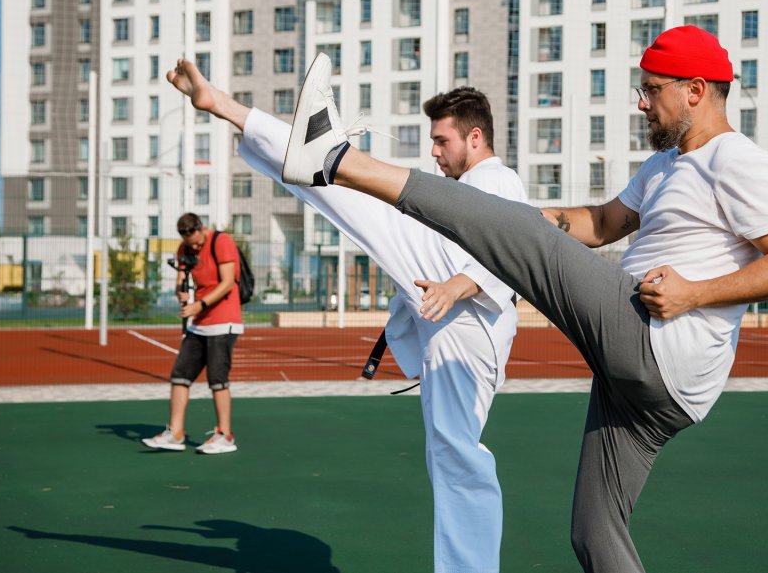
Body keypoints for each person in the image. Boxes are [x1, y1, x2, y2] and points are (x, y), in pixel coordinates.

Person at [278, 27, 768, 572]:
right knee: (593, 533)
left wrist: (692, 294)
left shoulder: (738, 160)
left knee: (518, 236)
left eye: (652, 90)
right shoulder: (663, 167)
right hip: (654, 392)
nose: (642, 102)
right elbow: (602, 223)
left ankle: (335, 159)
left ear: (695, 90)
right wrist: (506, 219)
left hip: (656, 336)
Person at [166, 55, 527, 573]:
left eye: (442, 141)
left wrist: (459, 284)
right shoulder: (462, 188)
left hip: (467, 324)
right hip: (448, 321)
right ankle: (237, 111)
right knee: (346, 189)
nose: (434, 150)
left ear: (475, 138)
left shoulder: (498, 181)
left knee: (456, 458)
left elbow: (512, 253)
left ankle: (309, 141)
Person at [142, 213, 243, 455]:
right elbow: (181, 279)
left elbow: (228, 282)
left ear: (201, 228)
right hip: (198, 323)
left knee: (217, 378)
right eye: (190, 244)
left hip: (223, 321)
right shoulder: (184, 248)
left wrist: (200, 304)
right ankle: (175, 433)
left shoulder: (222, 241)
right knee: (180, 374)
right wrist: (182, 294)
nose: (195, 247)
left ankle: (224, 435)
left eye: (197, 242)